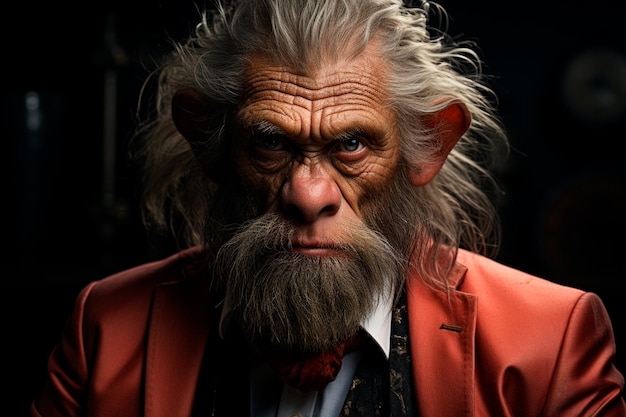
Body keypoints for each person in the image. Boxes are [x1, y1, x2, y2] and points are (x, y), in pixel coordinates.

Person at [30, 0, 626, 416]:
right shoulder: (105, 328)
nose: (309, 195)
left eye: (352, 144)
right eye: (269, 142)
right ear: (209, 144)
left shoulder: (551, 343)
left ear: (428, 148)